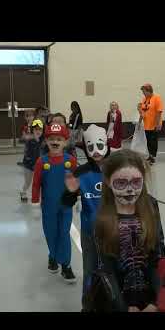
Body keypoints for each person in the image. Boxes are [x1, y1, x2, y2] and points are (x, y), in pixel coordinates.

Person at [89, 149, 165, 312]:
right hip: (116, 298)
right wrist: (123, 308)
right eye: (121, 183)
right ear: (108, 182)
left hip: (150, 297)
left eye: (136, 182)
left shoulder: (151, 207)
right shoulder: (101, 219)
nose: (130, 190)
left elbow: (157, 258)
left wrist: (157, 301)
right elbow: (105, 270)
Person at [61, 124, 111, 310]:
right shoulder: (79, 173)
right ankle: (88, 305)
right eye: (91, 148)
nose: (96, 152)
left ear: (106, 144)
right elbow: (66, 203)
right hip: (90, 233)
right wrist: (69, 192)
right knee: (90, 270)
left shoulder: (116, 169)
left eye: (100, 146)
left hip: (115, 230)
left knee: (115, 269)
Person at [32, 123, 78, 284]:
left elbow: (75, 181)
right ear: (46, 141)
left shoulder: (71, 161)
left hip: (66, 206)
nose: (55, 142)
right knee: (51, 234)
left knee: (64, 234)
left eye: (59, 139)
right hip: (48, 208)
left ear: (65, 141)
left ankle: (66, 265)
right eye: (51, 139)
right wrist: (35, 204)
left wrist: (78, 199)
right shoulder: (41, 162)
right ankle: (52, 256)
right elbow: (36, 184)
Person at [138, 83, 164, 165]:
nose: (143, 93)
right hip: (146, 125)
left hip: (154, 124)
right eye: (143, 92)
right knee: (148, 142)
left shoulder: (157, 98)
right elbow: (142, 111)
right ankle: (150, 155)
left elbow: (159, 112)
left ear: (149, 90)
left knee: (153, 141)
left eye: (144, 91)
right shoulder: (144, 99)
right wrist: (139, 122)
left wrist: (157, 124)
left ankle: (153, 157)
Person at [20, 119, 44, 202]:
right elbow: (23, 139)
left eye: (40, 129)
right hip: (28, 165)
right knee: (28, 181)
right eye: (36, 129)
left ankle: (40, 196)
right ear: (32, 130)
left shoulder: (42, 140)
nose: (38, 131)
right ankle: (23, 192)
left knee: (40, 181)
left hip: (38, 165)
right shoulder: (30, 140)